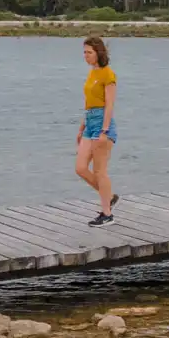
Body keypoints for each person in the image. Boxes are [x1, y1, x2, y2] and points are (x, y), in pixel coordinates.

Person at [76, 35, 119, 225]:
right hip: (90, 121)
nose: (85, 56)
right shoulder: (92, 73)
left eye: (89, 52)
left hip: (103, 122)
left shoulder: (107, 74)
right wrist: (82, 126)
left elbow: (109, 104)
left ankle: (107, 214)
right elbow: (89, 102)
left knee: (100, 171)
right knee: (81, 168)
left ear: (98, 53)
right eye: (84, 52)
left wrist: (104, 131)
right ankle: (108, 196)